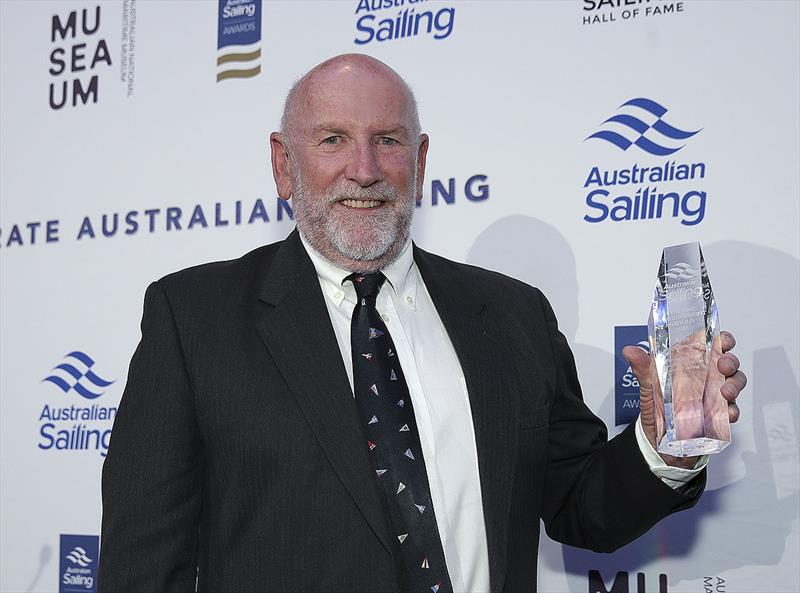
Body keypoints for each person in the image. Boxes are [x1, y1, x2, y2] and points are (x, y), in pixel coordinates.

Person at [98, 54, 746, 593]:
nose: (365, 169)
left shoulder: (515, 314)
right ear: (282, 164)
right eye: (332, 140)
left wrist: (663, 446)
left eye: (388, 140)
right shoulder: (195, 320)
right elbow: (144, 566)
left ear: (421, 158)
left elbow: (581, 504)